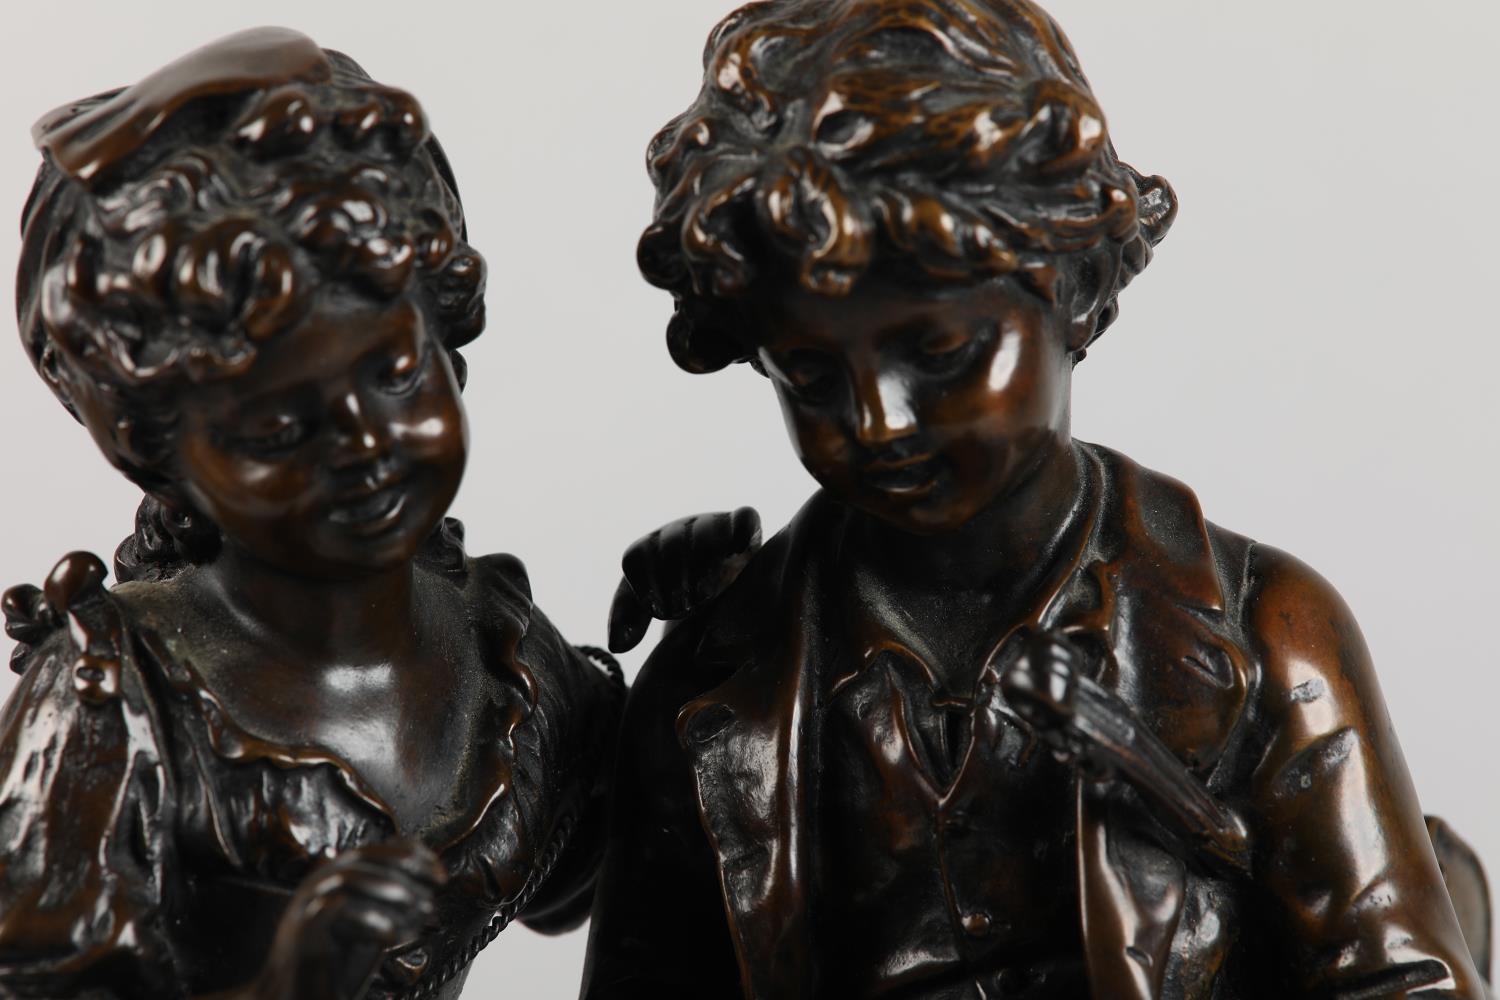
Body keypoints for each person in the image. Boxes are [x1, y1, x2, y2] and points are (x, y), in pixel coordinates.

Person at [582, 1, 1492, 997]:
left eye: (941, 352)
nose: (880, 421)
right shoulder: (712, 677)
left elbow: (1402, 979)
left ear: (1078, 291)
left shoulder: (1267, 631)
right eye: (810, 375)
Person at [1, 28, 626, 1000]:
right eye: (279, 427)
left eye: (396, 373)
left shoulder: (502, 651)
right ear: (158, 451)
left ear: (446, 339)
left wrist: (710, 628)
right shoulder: (116, 701)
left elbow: (578, 881)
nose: (365, 443)